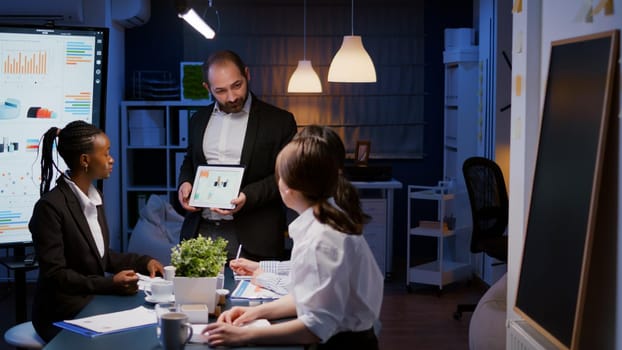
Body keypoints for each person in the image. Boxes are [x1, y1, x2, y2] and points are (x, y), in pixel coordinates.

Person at [204, 131, 384, 349]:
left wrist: (242, 336)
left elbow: (315, 327)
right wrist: (255, 312)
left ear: (288, 189)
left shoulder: (322, 238)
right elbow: (307, 297)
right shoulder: (322, 221)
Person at [29, 120, 164, 342]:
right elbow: (55, 275)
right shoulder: (50, 207)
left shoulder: (94, 197)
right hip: (61, 312)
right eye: (106, 153)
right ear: (85, 160)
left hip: (90, 299)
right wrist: (110, 284)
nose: (112, 159)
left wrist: (144, 261)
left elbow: (100, 256)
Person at [177, 50, 297, 261]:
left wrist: (248, 196)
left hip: (254, 236)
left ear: (247, 75)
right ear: (208, 88)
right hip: (200, 230)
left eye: (237, 85)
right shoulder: (198, 119)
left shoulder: (279, 121)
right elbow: (190, 160)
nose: (231, 97)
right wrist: (185, 182)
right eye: (221, 91)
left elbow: (285, 176)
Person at [229, 125, 370, 295]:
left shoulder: (324, 231)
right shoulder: (327, 213)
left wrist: (263, 275)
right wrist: (260, 267)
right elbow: (306, 267)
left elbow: (308, 293)